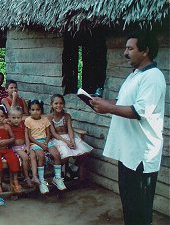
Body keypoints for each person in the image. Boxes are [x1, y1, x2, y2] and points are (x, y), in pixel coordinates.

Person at [90, 31, 166, 225]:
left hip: (141, 155)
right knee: (130, 206)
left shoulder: (153, 77)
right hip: (128, 152)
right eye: (125, 48)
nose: (125, 53)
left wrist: (109, 107)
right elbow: (123, 102)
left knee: (140, 209)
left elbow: (140, 111)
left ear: (145, 51)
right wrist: (103, 104)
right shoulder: (135, 75)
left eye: (130, 48)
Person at [25, 100, 67, 194]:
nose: (35, 111)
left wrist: (46, 142)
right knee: (41, 156)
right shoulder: (28, 120)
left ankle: (57, 178)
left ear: (41, 110)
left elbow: (48, 134)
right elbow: (30, 136)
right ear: (29, 111)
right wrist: (40, 145)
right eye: (33, 109)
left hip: (46, 141)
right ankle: (42, 181)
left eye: (38, 109)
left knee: (56, 154)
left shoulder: (45, 119)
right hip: (35, 143)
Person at [48, 94, 93, 179]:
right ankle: (57, 172)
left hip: (69, 137)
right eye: (56, 103)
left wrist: (72, 140)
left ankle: (73, 168)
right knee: (66, 154)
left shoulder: (67, 116)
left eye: (61, 103)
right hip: (58, 139)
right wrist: (67, 142)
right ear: (52, 104)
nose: (58, 105)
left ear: (64, 104)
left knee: (85, 152)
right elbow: (54, 133)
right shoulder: (50, 117)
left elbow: (70, 129)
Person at [8, 106, 39, 187]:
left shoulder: (23, 125)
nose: (16, 120)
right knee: (25, 157)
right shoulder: (9, 126)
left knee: (32, 155)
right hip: (15, 148)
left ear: (21, 117)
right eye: (13, 118)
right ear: (9, 118)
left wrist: (28, 147)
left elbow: (26, 137)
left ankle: (34, 176)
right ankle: (27, 177)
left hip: (24, 146)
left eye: (18, 118)